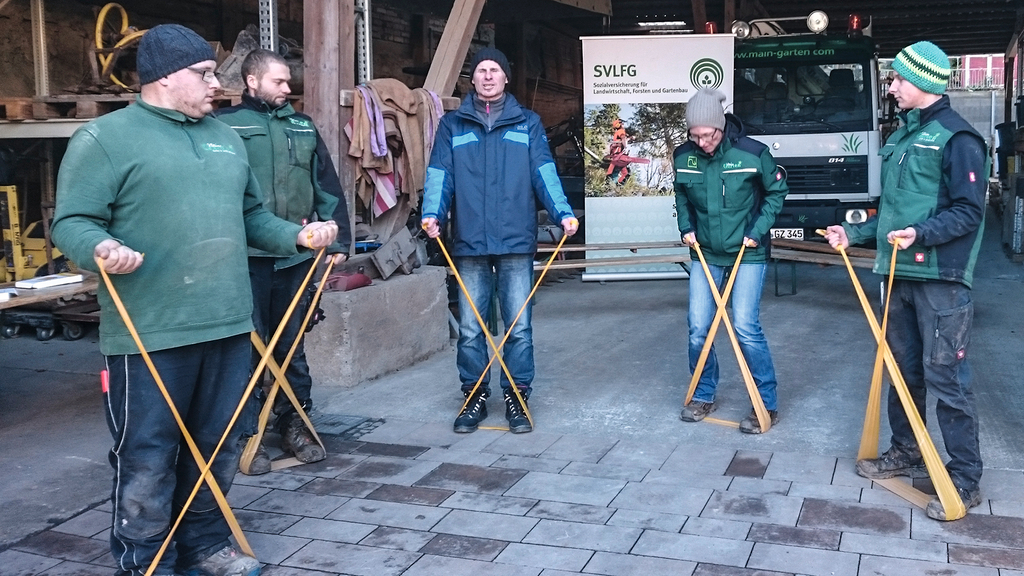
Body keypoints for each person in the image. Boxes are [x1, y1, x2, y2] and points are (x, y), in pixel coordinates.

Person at [51, 24, 338, 576]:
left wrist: (296, 237)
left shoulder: (225, 139)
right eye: (205, 74)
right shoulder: (105, 139)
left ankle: (205, 546)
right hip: (149, 331)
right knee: (148, 453)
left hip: (229, 324)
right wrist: (101, 246)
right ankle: (146, 560)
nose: (218, 87)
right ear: (163, 77)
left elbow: (252, 218)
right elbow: (74, 222)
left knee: (218, 447)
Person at [825, 41, 988, 521]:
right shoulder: (900, 137)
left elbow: (969, 212)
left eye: (896, 80)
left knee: (947, 379)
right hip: (897, 273)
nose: (891, 87)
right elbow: (894, 213)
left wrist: (921, 234)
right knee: (901, 370)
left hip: (941, 278)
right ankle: (906, 451)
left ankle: (964, 478)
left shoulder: (959, 139)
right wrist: (851, 232)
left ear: (922, 83)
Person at [421, 47, 577, 434]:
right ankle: (473, 394)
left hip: (515, 241)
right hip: (470, 240)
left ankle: (517, 395)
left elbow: (544, 171)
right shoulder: (453, 125)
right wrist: (432, 213)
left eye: (495, 70)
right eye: (481, 71)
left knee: (518, 326)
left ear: (506, 78)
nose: (488, 76)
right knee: (472, 327)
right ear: (472, 80)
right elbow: (440, 173)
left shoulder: (528, 123)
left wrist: (563, 212)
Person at [215, 48, 351, 475]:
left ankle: (296, 421)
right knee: (247, 347)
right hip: (245, 260)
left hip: (294, 259)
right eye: (278, 81)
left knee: (292, 344)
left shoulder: (302, 126)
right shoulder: (224, 126)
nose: (287, 88)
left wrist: (339, 236)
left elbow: (325, 183)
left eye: (288, 81)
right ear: (252, 81)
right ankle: (247, 431)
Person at [674, 88, 788, 434]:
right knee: (698, 328)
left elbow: (776, 192)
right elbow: (681, 193)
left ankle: (765, 402)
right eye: (695, 136)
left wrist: (758, 229)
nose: (702, 142)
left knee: (744, 328)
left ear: (721, 127)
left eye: (708, 135)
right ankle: (704, 393)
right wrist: (685, 227)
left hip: (747, 252)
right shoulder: (683, 156)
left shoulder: (752, 154)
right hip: (706, 252)